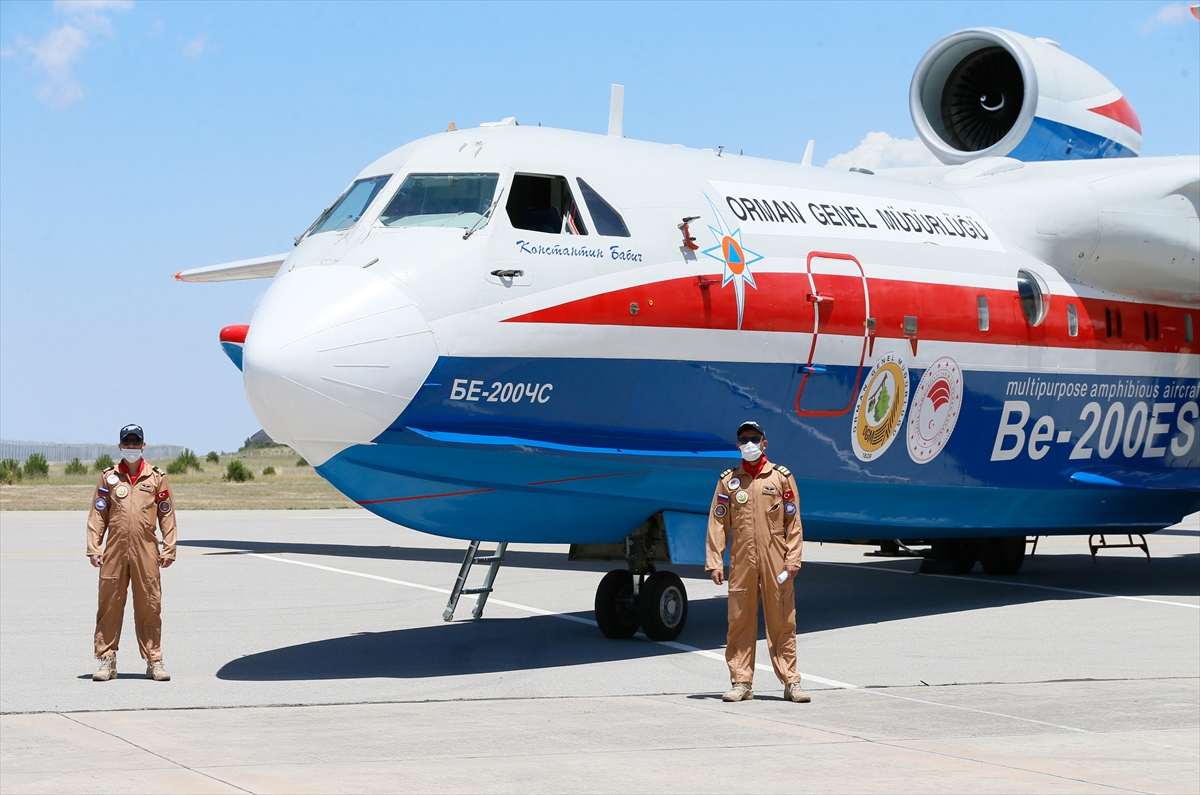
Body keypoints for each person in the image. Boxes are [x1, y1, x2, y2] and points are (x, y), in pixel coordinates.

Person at [706, 420, 808, 703]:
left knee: (782, 619)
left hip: (776, 558)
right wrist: (715, 561)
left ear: (765, 442)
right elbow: (718, 522)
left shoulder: (781, 477)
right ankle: (741, 682)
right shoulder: (729, 480)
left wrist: (793, 558)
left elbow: (793, 521)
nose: (749, 443)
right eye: (743, 439)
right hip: (742, 559)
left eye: (754, 438)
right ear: (738, 445)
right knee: (740, 620)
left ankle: (791, 682)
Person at [87, 424, 177, 682]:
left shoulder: (156, 478)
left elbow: (167, 514)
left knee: (149, 603)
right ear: (119, 446)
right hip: (115, 551)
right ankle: (107, 660)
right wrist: (94, 547)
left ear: (143, 445)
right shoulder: (109, 477)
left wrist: (169, 547)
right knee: (109, 605)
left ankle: (154, 661)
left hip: (146, 551)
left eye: (135, 442)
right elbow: (98, 514)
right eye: (127, 442)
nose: (131, 447)